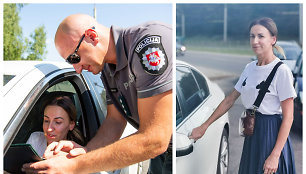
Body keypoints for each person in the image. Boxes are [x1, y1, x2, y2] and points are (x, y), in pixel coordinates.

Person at [22, 14, 172, 174]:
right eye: (70, 62)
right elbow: (114, 121)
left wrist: (75, 166)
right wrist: (85, 151)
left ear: (92, 36)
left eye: (74, 57)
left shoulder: (148, 43)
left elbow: (156, 138)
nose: (77, 69)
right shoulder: (107, 70)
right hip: (159, 155)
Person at [189, 17, 296, 174]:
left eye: (260, 36)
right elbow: (230, 100)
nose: (255, 41)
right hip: (252, 133)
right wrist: (204, 126)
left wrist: (275, 155)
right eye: (252, 36)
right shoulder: (249, 68)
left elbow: (289, 117)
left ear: (273, 39)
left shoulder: (282, 71)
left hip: (271, 133)